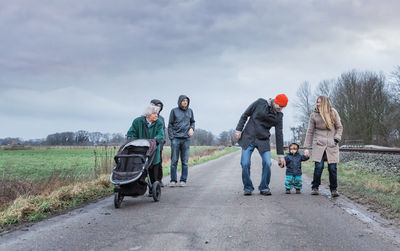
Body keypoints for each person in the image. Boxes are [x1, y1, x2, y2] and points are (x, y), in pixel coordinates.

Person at [235, 94, 288, 196]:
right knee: (245, 163)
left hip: (263, 140)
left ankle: (264, 187)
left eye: (282, 107)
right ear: (274, 101)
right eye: (278, 105)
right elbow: (245, 114)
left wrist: (281, 155)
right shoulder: (260, 103)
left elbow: (279, 134)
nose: (279, 108)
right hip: (248, 137)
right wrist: (238, 129)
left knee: (268, 163)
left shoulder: (279, 116)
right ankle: (248, 187)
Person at [303, 95, 343, 197]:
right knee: (319, 167)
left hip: (331, 144)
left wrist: (336, 139)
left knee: (332, 168)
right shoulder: (314, 115)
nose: (317, 104)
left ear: (324, 103)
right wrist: (306, 148)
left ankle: (333, 189)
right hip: (318, 144)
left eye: (319, 102)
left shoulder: (333, 112)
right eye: (317, 102)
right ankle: (315, 187)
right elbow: (309, 132)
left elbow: (339, 127)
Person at [126, 104, 165, 195]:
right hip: (139, 149)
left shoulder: (159, 123)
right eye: (154, 113)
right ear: (147, 115)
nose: (156, 115)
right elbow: (131, 133)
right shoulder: (137, 121)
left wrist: (156, 140)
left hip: (153, 148)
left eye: (157, 113)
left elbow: (161, 135)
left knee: (153, 169)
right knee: (139, 168)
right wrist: (133, 140)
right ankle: (137, 187)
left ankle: (153, 188)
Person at [168, 95, 195, 187]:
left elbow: (193, 122)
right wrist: (172, 137)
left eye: (186, 101)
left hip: (186, 139)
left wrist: (192, 128)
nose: (185, 102)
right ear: (180, 101)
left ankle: (183, 180)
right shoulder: (174, 111)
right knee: (174, 161)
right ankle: (173, 180)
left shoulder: (190, 111)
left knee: (185, 161)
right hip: (176, 139)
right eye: (183, 100)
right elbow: (170, 124)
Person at [150, 99, 166, 187]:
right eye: (157, 106)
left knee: (158, 162)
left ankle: (159, 179)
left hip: (158, 143)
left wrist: (161, 142)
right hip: (147, 144)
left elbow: (162, 131)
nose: (158, 108)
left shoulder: (161, 119)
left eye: (160, 107)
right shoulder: (145, 117)